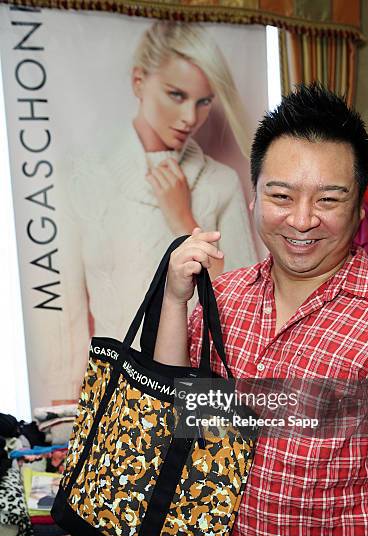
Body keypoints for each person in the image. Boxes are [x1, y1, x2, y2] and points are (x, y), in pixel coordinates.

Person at [153, 84, 368, 536]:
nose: (302, 220)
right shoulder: (226, 298)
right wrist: (173, 300)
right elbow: (177, 415)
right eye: (281, 196)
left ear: (360, 203)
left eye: (328, 198)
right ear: (254, 198)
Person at [55, 21, 257, 403]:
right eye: (176, 94)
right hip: (113, 393)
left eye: (203, 101)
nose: (189, 117)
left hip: (199, 391)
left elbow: (241, 307)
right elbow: (66, 307)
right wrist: (68, 407)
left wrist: (183, 219)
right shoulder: (82, 175)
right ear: (138, 82)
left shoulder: (220, 182)